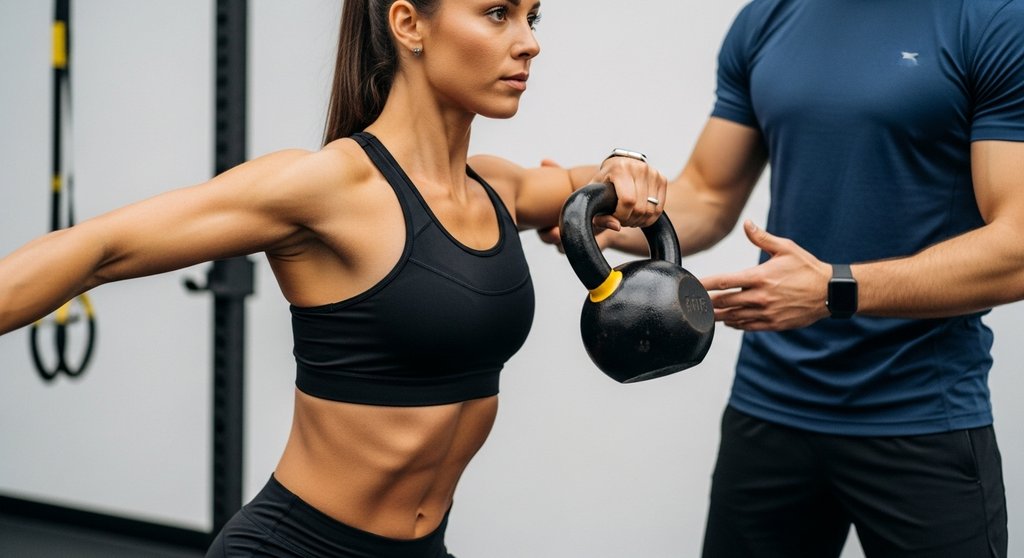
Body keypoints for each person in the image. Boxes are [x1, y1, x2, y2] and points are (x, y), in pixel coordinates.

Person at [0, 1, 668, 556]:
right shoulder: (328, 188)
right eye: (498, 13)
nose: (528, 43)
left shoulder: (498, 189)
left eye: (532, 17)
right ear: (408, 24)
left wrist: (624, 164)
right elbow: (99, 249)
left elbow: (622, 193)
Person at [539, 0, 1024, 556]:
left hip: (921, 415)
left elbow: (1017, 246)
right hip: (769, 407)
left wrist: (835, 290)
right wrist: (607, 221)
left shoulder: (992, 19)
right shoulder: (766, 19)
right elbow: (710, 194)